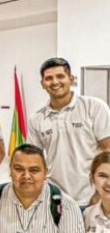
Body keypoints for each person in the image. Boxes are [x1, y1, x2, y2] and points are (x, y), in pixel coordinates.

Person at [28, 57, 110, 207]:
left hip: (91, 199)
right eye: (49, 78)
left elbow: (108, 151)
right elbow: (34, 161)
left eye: (60, 76)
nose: (54, 82)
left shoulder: (94, 107)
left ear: (71, 79)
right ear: (42, 84)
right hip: (55, 200)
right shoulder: (36, 119)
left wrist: (100, 193)